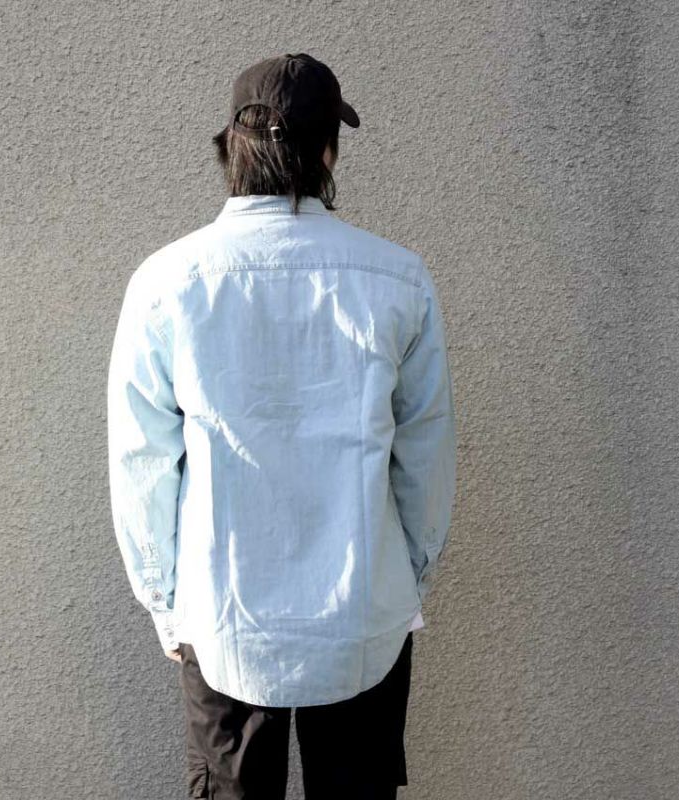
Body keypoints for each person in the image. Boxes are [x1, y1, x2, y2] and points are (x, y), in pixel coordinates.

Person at [107, 52, 457, 800]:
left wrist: (165, 605)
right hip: (363, 612)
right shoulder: (397, 278)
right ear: (328, 151)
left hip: (222, 614)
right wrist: (404, 577)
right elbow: (426, 455)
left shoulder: (167, 281)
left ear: (232, 148)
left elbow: (143, 464)